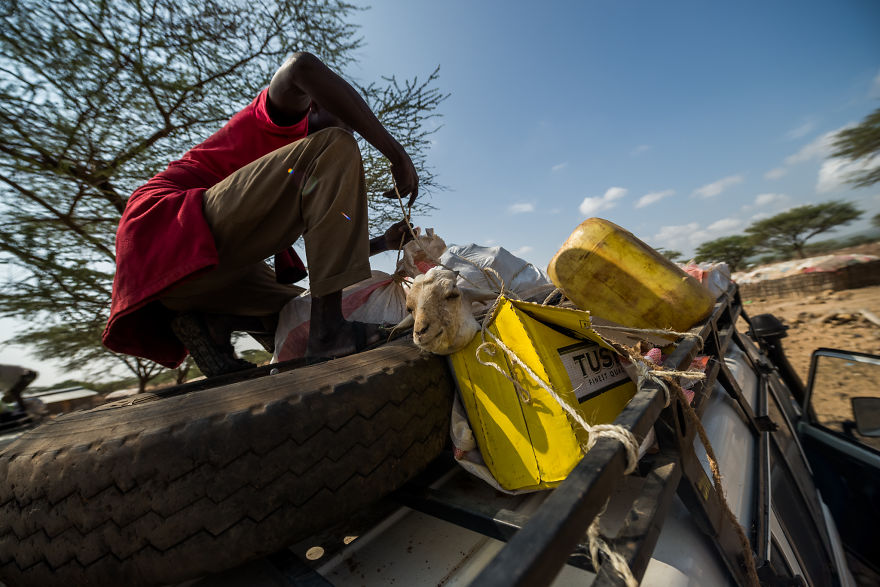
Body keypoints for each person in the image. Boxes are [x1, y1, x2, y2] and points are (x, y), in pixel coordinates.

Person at [102, 52, 418, 376]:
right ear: (315, 105)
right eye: (345, 122)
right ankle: (328, 334)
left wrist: (383, 243)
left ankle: (215, 320)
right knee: (334, 147)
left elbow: (324, 250)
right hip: (166, 227)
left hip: (195, 270)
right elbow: (301, 66)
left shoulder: (293, 179)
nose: (352, 136)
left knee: (298, 307)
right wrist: (396, 154)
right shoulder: (281, 117)